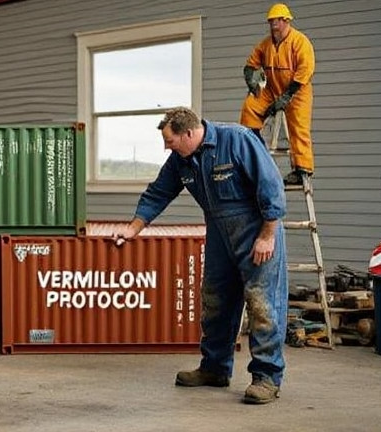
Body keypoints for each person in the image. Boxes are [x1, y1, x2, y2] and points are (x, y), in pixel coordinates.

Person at [114, 107, 288, 405]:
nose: (166, 147)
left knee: (262, 303)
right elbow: (158, 192)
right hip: (219, 233)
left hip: (256, 230)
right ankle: (215, 368)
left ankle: (267, 377)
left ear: (189, 133)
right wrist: (133, 229)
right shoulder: (181, 159)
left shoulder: (238, 140)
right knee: (215, 300)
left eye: (170, 141)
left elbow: (271, 186)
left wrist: (267, 236)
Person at [239, 3, 315, 186]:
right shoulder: (266, 44)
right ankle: (252, 144)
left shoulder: (300, 42)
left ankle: (302, 170)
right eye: (271, 21)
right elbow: (251, 64)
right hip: (272, 89)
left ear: (286, 21)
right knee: (251, 105)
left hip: (297, 92)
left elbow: (305, 70)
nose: (274, 24)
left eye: (278, 20)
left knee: (299, 128)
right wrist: (251, 80)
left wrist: (287, 97)